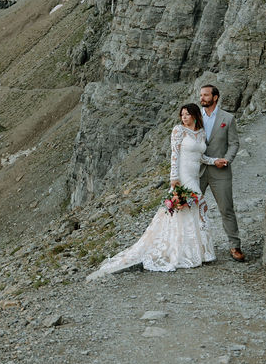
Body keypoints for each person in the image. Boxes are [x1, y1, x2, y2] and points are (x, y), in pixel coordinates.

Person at [87, 104, 217, 280]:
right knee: (182, 209)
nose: (184, 117)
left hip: (194, 176)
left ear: (195, 115)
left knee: (196, 208)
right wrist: (174, 177)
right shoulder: (179, 130)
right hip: (182, 175)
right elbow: (175, 154)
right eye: (182, 114)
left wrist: (215, 161)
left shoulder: (201, 133)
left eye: (187, 114)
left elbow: (200, 156)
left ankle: (200, 252)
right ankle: (181, 251)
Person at [199, 84, 245, 261]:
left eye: (206, 95)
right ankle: (193, 246)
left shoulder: (228, 118)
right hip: (198, 171)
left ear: (215, 97)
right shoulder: (195, 117)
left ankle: (235, 246)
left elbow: (234, 143)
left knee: (226, 209)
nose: (202, 98)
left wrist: (227, 159)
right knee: (192, 208)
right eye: (201, 95)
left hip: (221, 172)